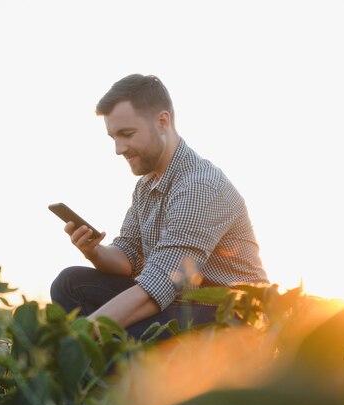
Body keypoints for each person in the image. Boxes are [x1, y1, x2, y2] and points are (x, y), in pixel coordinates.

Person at [50, 74, 268, 339]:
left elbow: (160, 285)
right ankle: (107, 370)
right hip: (180, 305)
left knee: (125, 328)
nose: (118, 149)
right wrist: (94, 251)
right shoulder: (147, 185)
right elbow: (129, 256)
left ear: (162, 122)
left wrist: (77, 336)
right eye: (113, 138)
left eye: (126, 134)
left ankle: (110, 369)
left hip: (229, 319)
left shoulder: (200, 187)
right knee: (70, 283)